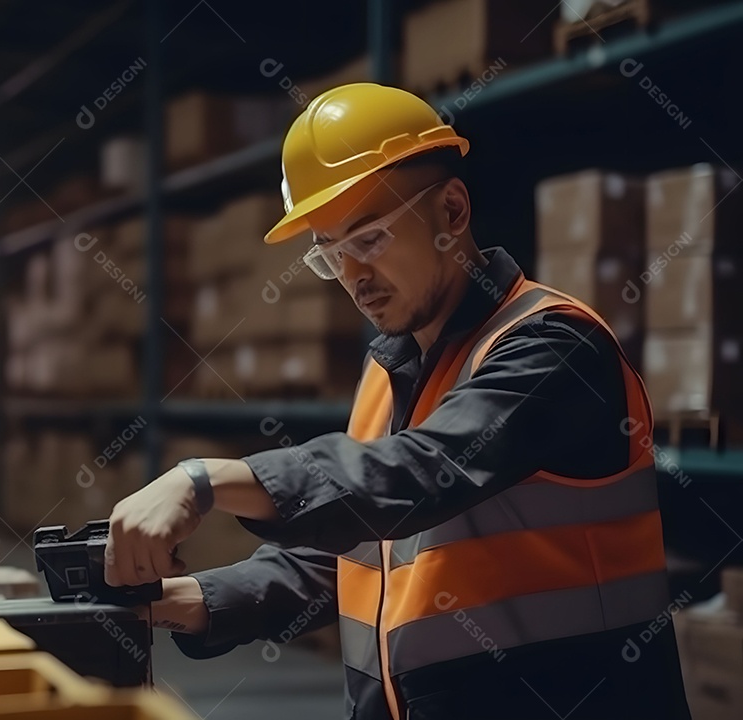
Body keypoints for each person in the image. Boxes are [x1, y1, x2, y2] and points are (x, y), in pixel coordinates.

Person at [104, 83, 691, 720]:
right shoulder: (389, 369)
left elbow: (421, 474)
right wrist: (191, 599)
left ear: (452, 211)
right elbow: (362, 556)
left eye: (370, 239)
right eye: (329, 255)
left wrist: (206, 480)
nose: (354, 277)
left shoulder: (553, 347)